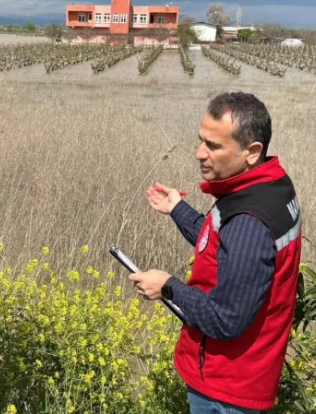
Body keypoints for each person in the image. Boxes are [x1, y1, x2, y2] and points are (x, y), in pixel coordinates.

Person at [130, 92, 302, 413]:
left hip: (227, 388)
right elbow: (226, 247)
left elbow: (226, 321)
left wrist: (168, 286)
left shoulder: (250, 218)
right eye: (201, 141)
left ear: (252, 152)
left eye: (214, 146)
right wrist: (177, 209)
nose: (199, 153)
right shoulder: (271, 186)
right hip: (243, 376)